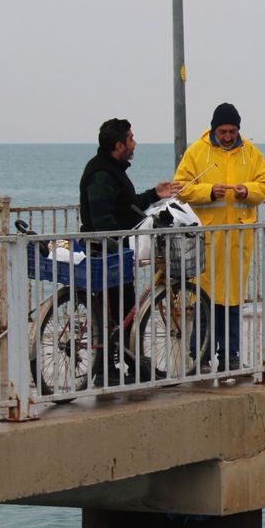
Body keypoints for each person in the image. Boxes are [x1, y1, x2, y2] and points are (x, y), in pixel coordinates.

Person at [79, 118, 180, 385]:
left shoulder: (113, 170)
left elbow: (126, 205)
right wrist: (123, 238)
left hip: (116, 251)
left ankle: (128, 364)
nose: (135, 143)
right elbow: (102, 219)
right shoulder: (101, 173)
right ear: (119, 145)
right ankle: (106, 369)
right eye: (131, 138)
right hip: (106, 251)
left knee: (122, 311)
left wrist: (155, 194)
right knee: (114, 312)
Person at [174, 103, 265, 372]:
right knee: (204, 299)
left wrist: (247, 191)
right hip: (207, 239)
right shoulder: (197, 151)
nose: (228, 136)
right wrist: (208, 191)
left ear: (238, 129)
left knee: (231, 301)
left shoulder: (251, 153)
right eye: (223, 131)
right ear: (214, 129)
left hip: (237, 240)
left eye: (232, 131)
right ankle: (201, 356)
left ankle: (230, 356)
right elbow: (181, 187)